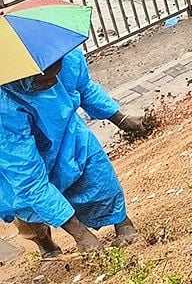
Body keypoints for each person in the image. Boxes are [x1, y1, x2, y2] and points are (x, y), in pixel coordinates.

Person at [0, 50, 147, 257]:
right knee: (25, 205)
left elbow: (84, 88)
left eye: (54, 68)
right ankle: (45, 243)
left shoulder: (66, 57)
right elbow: (28, 180)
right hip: (15, 155)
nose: (51, 79)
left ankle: (122, 223)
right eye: (42, 76)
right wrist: (81, 236)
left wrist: (120, 119)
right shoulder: (4, 105)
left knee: (97, 173)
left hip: (67, 134)